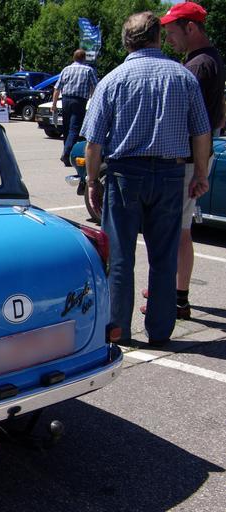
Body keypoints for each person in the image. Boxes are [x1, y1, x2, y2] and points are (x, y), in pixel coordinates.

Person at [81, 11, 211, 347]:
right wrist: (199, 173)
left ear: (127, 41)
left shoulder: (113, 80)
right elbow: (201, 132)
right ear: (157, 37)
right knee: (164, 256)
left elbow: (93, 142)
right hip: (170, 174)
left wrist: (92, 181)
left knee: (120, 257)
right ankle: (160, 330)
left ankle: (118, 330)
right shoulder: (183, 78)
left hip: (125, 174)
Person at [156, 1, 225, 320]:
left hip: (186, 161)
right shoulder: (211, 59)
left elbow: (185, 120)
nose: (169, 40)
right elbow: (219, 115)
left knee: (178, 230)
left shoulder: (197, 67)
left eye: (172, 33)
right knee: (180, 228)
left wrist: (197, 169)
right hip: (196, 157)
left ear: (191, 28)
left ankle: (178, 299)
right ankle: (173, 289)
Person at [51, 49, 98, 167]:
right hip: (79, 101)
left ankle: (67, 156)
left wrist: (54, 104)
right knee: (75, 128)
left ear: (74, 58)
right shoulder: (88, 70)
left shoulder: (66, 69)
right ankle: (66, 154)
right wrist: (94, 103)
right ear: (84, 58)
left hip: (66, 99)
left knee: (66, 128)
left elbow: (57, 88)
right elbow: (95, 88)